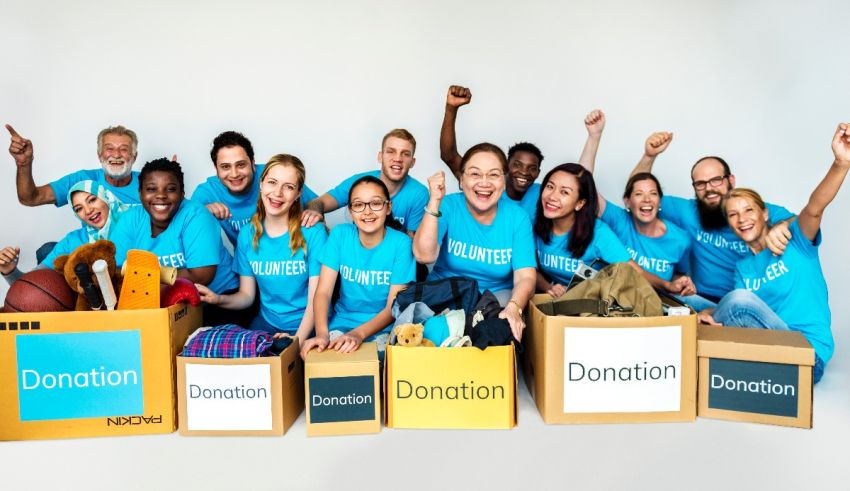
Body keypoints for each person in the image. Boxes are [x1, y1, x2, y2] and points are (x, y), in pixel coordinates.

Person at [699, 123, 850, 383]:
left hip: (805, 355)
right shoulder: (744, 266)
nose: (742, 219)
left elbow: (814, 209)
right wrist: (705, 315)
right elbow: (744, 317)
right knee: (693, 305)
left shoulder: (795, 241)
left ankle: (717, 359)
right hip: (769, 347)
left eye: (748, 211)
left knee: (736, 300)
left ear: (765, 213)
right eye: (733, 215)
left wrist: (841, 163)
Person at [630, 132, 793, 310]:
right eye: (700, 183)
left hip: (749, 303)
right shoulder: (687, 212)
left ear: (731, 181)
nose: (709, 188)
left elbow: (798, 222)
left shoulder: (752, 209)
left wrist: (781, 226)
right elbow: (638, 195)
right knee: (662, 300)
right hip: (700, 300)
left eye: (716, 180)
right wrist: (649, 156)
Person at [195, 155, 326, 344]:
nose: (278, 193)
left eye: (288, 187)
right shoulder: (248, 234)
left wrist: (295, 340)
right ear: (261, 184)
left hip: (309, 325)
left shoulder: (314, 233)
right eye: (272, 182)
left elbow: (317, 300)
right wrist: (218, 299)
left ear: (298, 193)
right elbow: (247, 296)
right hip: (267, 325)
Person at [414, 143, 536, 341]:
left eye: (494, 175)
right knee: (432, 335)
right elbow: (424, 256)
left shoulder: (517, 218)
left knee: (497, 334)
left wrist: (514, 308)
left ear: (504, 181)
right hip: (446, 296)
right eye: (475, 174)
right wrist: (435, 201)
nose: (484, 183)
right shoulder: (448, 205)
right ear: (461, 180)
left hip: (494, 299)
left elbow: (525, 278)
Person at [438, 85, 606, 220]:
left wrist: (593, 137)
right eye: (517, 165)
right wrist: (451, 109)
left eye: (532, 168)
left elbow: (580, 183)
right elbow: (449, 155)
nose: (524, 172)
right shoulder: (488, 183)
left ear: (539, 173)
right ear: (505, 167)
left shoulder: (544, 193)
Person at [300, 175, 415, 360]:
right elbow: (323, 292)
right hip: (343, 322)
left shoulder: (401, 244)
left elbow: (392, 307)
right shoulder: (340, 235)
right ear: (351, 211)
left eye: (376, 203)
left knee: (377, 365)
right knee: (325, 360)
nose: (367, 211)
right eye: (359, 204)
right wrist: (322, 333)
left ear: (388, 208)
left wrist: (359, 335)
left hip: (384, 325)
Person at [108, 158, 239, 306]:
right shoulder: (130, 219)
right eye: (151, 189)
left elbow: (200, 276)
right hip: (164, 304)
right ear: (140, 193)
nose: (161, 195)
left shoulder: (196, 215)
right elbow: (116, 270)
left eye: (170, 189)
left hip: (218, 300)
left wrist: (140, 277)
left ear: (182, 193)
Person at [533, 163, 648, 298]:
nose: (552, 196)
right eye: (550, 186)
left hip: (592, 305)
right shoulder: (536, 224)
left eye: (564, 192)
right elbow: (527, 270)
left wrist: (668, 286)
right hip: (553, 303)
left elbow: (636, 274)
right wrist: (549, 287)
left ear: (579, 203)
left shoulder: (599, 233)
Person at [191, 131, 318, 247]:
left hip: (291, 253)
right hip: (249, 262)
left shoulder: (273, 175)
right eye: (225, 167)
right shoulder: (207, 193)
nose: (234, 174)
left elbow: (316, 203)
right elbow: (183, 226)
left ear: (253, 163)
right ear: (216, 169)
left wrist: (313, 211)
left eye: (241, 165)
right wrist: (203, 212)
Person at [302, 129, 427, 236]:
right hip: (358, 255)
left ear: (412, 162)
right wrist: (315, 214)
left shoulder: (419, 194)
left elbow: (414, 246)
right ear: (380, 156)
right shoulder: (360, 183)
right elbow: (319, 202)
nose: (398, 159)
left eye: (405, 154)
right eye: (391, 151)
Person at [1, 180, 129, 284]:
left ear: (105, 197)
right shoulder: (73, 240)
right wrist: (9, 271)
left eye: (92, 200)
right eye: (79, 208)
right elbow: (31, 286)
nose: (88, 210)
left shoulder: (135, 219)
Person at [7, 124, 143, 207]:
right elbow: (30, 198)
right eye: (109, 148)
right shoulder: (83, 180)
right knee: (47, 249)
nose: (116, 154)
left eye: (124, 149)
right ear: (100, 155)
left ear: (134, 156)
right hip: (97, 252)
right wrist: (23, 164)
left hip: (140, 252)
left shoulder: (149, 183)